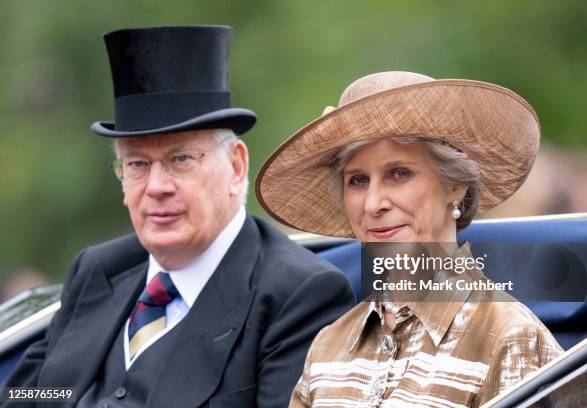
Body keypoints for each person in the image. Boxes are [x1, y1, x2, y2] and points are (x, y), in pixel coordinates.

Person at [3, 26, 355, 408]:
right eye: (137, 164)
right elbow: (28, 395)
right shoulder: (98, 271)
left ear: (236, 167)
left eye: (180, 159)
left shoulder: (297, 295)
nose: (156, 186)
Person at [256, 71, 564, 407]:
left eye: (399, 174)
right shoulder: (327, 346)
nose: (373, 204)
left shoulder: (511, 337)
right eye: (357, 180)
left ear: (455, 184)